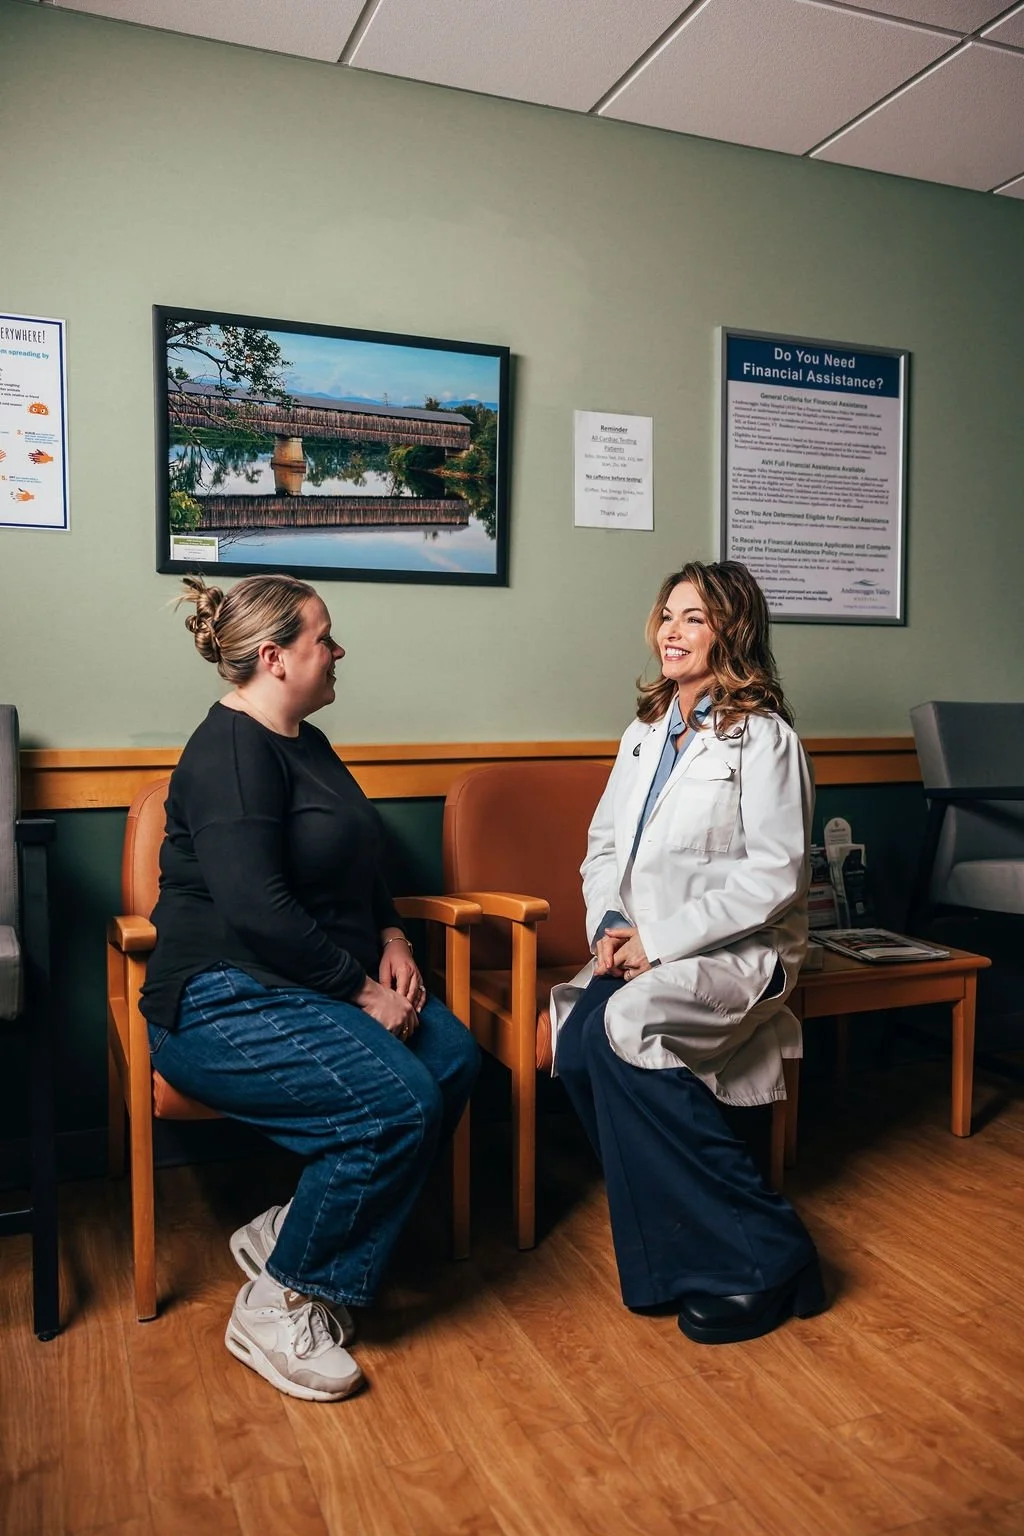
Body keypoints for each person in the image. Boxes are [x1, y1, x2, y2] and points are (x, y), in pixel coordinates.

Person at [141, 573, 480, 1401]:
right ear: (274, 657)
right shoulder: (227, 754)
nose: (337, 651)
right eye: (322, 637)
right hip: (219, 998)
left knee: (453, 1057)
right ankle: (278, 1303)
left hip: (305, 984)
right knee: (398, 1105)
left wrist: (393, 934)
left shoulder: (306, 742)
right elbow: (258, 910)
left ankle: (286, 1231)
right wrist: (365, 991)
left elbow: (355, 860)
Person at [549, 560, 826, 1345]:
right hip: (635, 944)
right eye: (667, 615)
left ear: (731, 632)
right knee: (575, 1047)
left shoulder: (765, 740)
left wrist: (659, 943)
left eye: (694, 618)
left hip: (734, 952)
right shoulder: (643, 734)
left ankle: (767, 1255)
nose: (672, 631)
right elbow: (605, 842)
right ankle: (685, 1248)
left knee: (624, 1034)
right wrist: (609, 921)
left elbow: (774, 875)